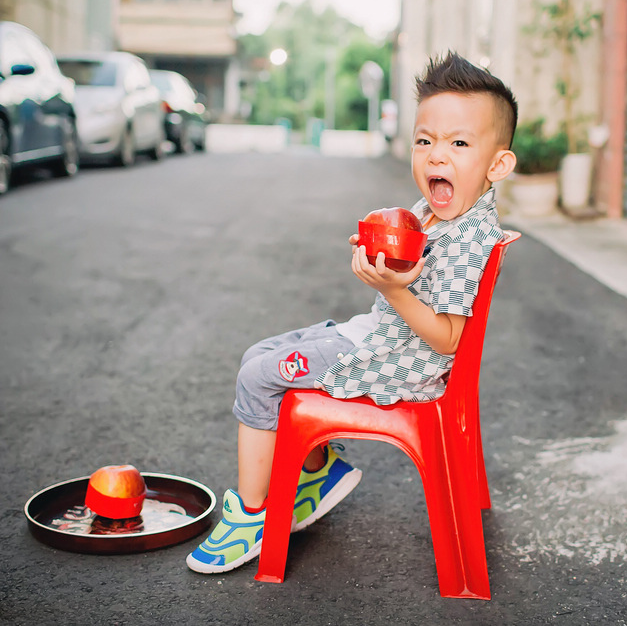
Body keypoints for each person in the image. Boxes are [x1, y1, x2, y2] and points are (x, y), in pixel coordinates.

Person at [186, 51, 518, 574]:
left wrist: (394, 291)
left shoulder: (470, 239)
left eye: (458, 143)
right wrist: (381, 253)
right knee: (261, 354)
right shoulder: (433, 211)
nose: (436, 157)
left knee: (256, 376)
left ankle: (252, 517)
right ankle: (318, 473)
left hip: (399, 362)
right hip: (379, 339)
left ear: (497, 164)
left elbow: (450, 339)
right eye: (425, 140)